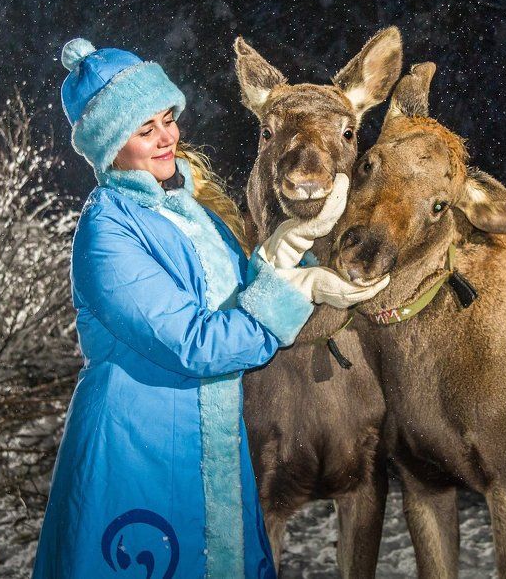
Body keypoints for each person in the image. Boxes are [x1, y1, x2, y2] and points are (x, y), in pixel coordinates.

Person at [31, 39, 387, 579]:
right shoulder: (107, 232)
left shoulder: (191, 210)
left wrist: (295, 246)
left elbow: (246, 292)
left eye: (168, 118)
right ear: (108, 145)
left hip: (212, 436)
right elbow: (196, 344)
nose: (167, 137)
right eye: (144, 130)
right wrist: (299, 291)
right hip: (137, 442)